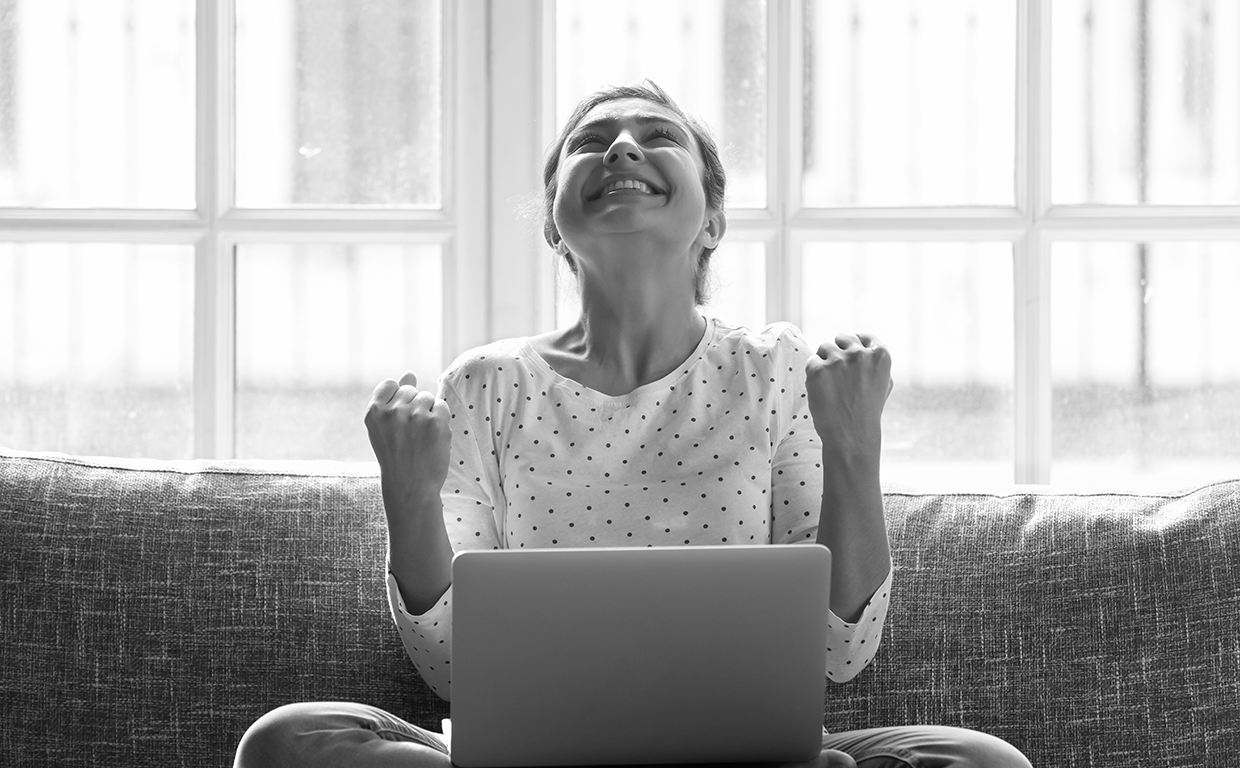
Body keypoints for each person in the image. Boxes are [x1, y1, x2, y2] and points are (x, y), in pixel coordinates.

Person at [234, 81, 1032, 768]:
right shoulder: (485, 385)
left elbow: (842, 651)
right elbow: (450, 668)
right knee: (291, 741)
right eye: (592, 140)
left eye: (656, 138)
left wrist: (855, 447)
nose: (621, 148)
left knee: (980, 761)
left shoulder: (778, 370)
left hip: (747, 754)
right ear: (553, 224)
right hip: (531, 755)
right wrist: (406, 496)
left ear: (712, 222)